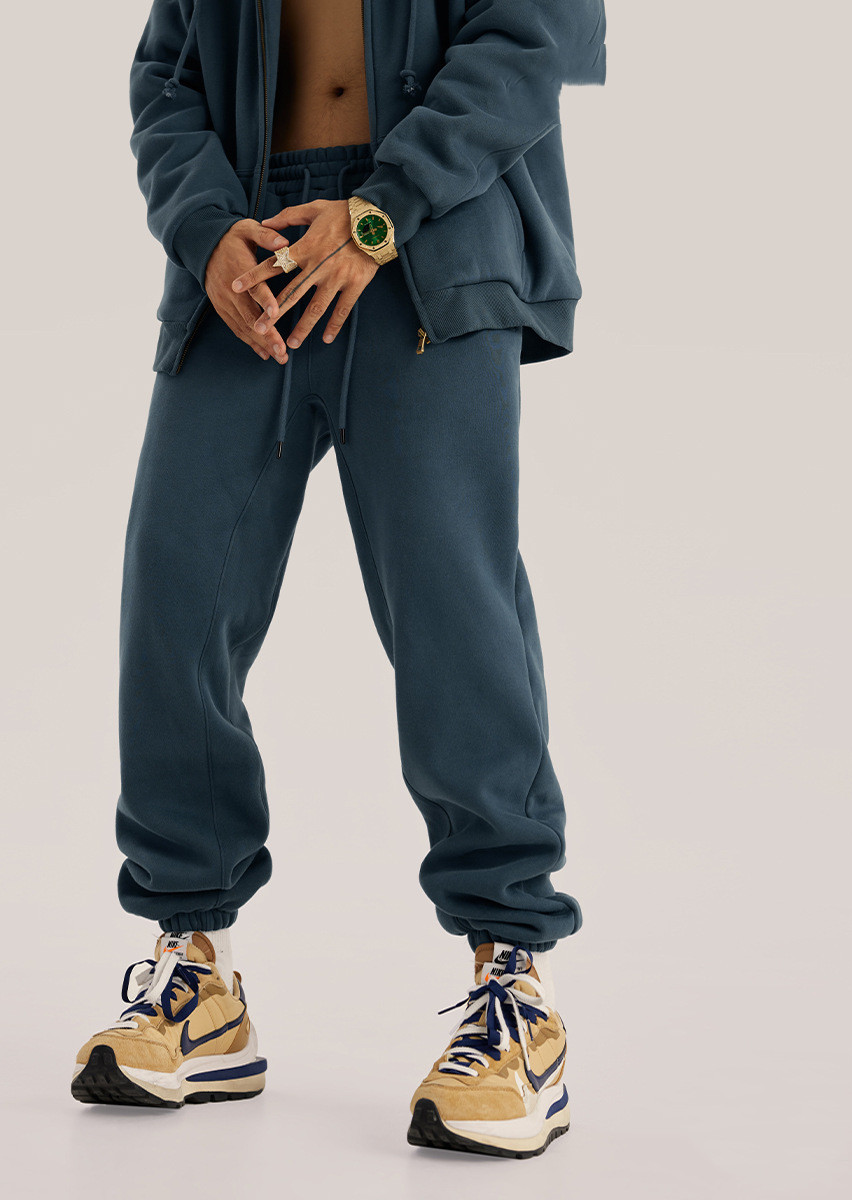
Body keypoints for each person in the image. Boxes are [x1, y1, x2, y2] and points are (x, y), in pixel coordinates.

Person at [71, 0, 606, 1159]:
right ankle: (195, 972)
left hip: (429, 246)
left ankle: (515, 986)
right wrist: (205, 228)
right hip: (251, 255)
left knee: (453, 613)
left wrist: (380, 215)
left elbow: (531, 40)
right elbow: (166, 75)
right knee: (174, 597)